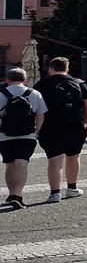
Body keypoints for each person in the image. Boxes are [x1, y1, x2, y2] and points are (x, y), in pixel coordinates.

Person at [38, 57, 87, 203]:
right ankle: (72, 188)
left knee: (54, 160)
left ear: (51, 69)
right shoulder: (79, 84)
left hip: (50, 127)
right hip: (75, 126)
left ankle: (54, 193)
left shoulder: (42, 84)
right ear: (67, 69)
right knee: (73, 157)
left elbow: (36, 108)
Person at [0, 66, 48, 210]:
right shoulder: (35, 93)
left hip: (4, 135)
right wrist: (36, 132)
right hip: (28, 135)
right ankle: (17, 195)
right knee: (22, 163)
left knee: (10, 164)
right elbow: (41, 115)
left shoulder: (1, 94)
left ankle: (11, 194)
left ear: (7, 80)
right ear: (25, 80)